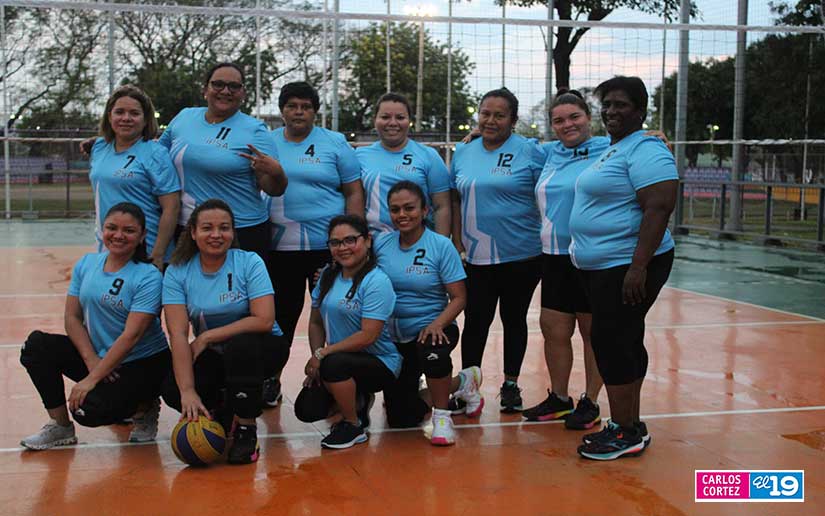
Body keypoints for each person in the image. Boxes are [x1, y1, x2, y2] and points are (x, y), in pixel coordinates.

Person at [569, 76, 677, 460]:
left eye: (621, 104)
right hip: (603, 265)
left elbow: (660, 205)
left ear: (640, 111)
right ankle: (630, 424)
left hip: (625, 264)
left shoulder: (646, 148)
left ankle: (624, 431)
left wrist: (638, 267)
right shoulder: (614, 147)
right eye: (607, 104)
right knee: (624, 338)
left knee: (611, 340)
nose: (611, 111)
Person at [20, 203, 171, 450]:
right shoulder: (88, 263)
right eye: (112, 228)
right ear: (102, 230)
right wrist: (92, 361)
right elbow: (72, 317)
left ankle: (144, 405)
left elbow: (131, 335)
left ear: (142, 235)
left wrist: (92, 379)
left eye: (129, 230)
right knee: (37, 346)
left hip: (141, 363)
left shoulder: (148, 276)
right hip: (100, 356)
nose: (118, 235)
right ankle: (60, 427)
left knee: (88, 410)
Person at [160, 199, 289, 465]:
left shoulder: (249, 262)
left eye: (224, 228)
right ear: (193, 232)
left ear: (233, 232)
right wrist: (187, 390)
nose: (216, 235)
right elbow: (178, 334)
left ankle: (245, 428)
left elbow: (264, 320)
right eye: (207, 228)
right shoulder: (177, 271)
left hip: (262, 348)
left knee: (240, 347)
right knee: (173, 388)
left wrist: (207, 336)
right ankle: (222, 409)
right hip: (217, 353)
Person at [261, 81, 365, 407]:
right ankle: (271, 379)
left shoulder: (334, 143)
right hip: (280, 248)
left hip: (328, 249)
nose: (299, 112)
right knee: (281, 318)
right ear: (282, 110)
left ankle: (336, 381)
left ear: (315, 111)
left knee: (333, 314)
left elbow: (353, 191)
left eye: (305, 107)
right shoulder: (267, 142)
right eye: (292, 106)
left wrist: (355, 239)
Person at [449, 88, 545, 413]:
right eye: (485, 114)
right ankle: (468, 388)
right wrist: (456, 241)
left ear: (513, 120)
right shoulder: (464, 151)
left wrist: (648, 137)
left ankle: (511, 385)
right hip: (476, 256)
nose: (490, 120)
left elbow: (570, 154)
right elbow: (454, 198)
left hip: (522, 254)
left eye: (499, 115)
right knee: (476, 321)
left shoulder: (530, 151)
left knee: (514, 319)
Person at [521, 90, 607, 429]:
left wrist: (653, 137)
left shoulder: (609, 147)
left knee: (592, 332)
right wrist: (473, 137)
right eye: (559, 120)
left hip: (590, 254)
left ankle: (591, 401)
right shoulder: (548, 152)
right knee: (553, 327)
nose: (567, 124)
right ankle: (559, 398)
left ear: (589, 118)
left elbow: (640, 146)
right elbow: (509, 145)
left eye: (574, 117)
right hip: (554, 255)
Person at [374, 181, 483, 445]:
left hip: (433, 328)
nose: (402, 215)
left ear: (424, 211)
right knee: (401, 417)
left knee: (433, 352)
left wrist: (437, 323)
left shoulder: (440, 246)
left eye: (409, 208)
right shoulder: (381, 244)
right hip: (394, 337)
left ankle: (442, 418)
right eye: (395, 209)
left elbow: (459, 297)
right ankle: (462, 382)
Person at [158, 62, 287, 258]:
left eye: (234, 86)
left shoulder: (256, 130)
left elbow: (273, 189)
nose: (226, 91)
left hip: (241, 231)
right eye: (218, 84)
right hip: (188, 228)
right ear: (205, 89)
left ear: (243, 94)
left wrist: (277, 173)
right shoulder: (184, 117)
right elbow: (157, 155)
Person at [294, 214, 401, 449]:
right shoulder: (327, 276)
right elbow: (316, 323)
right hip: (339, 358)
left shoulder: (376, 281)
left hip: (380, 361)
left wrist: (323, 354)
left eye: (350, 240)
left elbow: (368, 336)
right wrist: (317, 357)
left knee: (335, 365)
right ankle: (358, 399)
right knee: (306, 409)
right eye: (335, 242)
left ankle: (353, 425)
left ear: (367, 241)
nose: (343, 248)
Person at [89, 85, 180, 268]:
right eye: (119, 112)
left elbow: (172, 207)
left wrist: (158, 253)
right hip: (110, 247)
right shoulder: (99, 147)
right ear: (109, 116)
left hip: (146, 251)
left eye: (134, 113)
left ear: (145, 120)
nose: (126, 118)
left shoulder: (156, 153)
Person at [356, 92, 451, 236]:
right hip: (375, 242)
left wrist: (441, 245)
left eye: (400, 117)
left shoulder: (428, 156)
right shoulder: (359, 156)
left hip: (419, 243)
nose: (393, 123)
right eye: (385, 117)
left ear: (409, 121)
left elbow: (442, 206)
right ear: (375, 120)